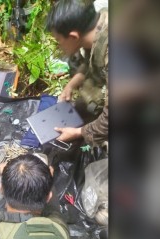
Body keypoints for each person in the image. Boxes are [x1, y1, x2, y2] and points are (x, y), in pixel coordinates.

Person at [46, 0, 108, 146]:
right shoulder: (94, 29)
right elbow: (90, 62)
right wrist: (70, 85)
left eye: (59, 40)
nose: (59, 46)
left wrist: (78, 132)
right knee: (81, 106)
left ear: (73, 36)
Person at [0, 154, 72, 239]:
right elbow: (52, 204)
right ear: (48, 197)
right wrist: (49, 182)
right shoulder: (59, 226)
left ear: (1, 189)